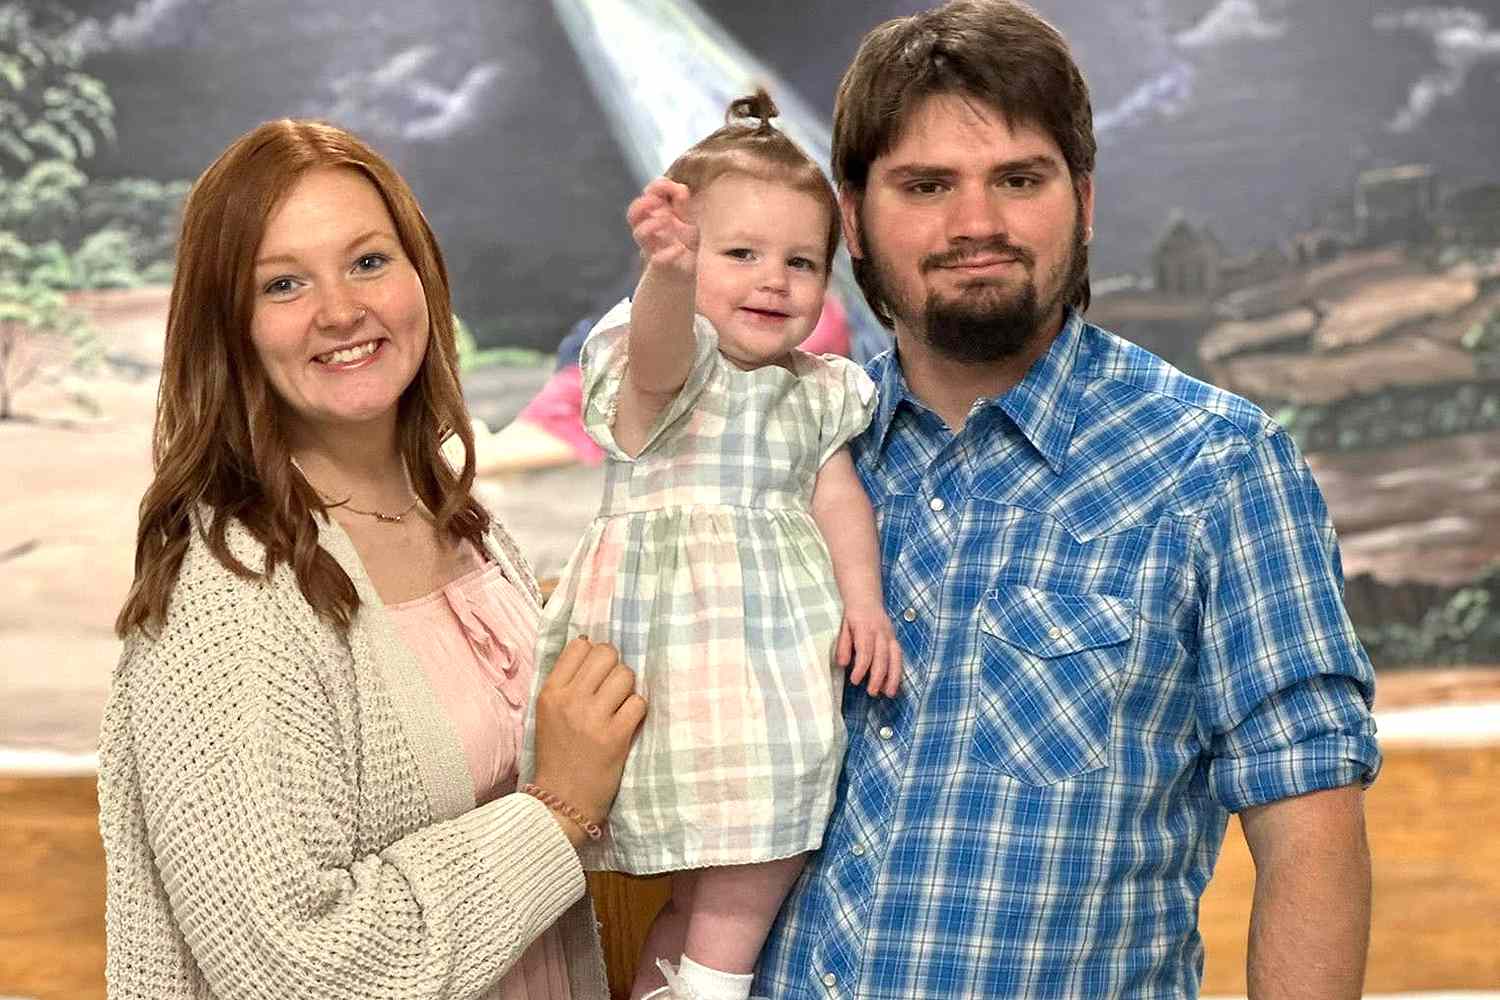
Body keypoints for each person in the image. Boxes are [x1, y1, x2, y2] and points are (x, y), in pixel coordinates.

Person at [755, 3, 1382, 998]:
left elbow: (1311, 837)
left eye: (1019, 179)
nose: (977, 224)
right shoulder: (785, 456)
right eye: (926, 185)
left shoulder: (1218, 467)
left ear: (1082, 202)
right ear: (855, 220)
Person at [98, 119, 645, 1000]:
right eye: (283, 283)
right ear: (228, 327)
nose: (341, 310)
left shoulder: (461, 524)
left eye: (367, 261)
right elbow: (295, 969)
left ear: (421, 273)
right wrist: (558, 812)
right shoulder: (231, 593)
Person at [520, 91, 901, 1000]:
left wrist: (865, 604)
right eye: (739, 255)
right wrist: (666, 275)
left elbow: (839, 497)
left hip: (770, 648)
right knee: (735, 838)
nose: (774, 281)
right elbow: (657, 364)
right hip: (674, 647)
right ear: (685, 256)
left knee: (767, 818)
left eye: (801, 262)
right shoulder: (668, 360)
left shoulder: (816, 389)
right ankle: (713, 983)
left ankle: (678, 983)